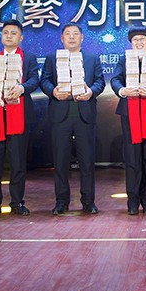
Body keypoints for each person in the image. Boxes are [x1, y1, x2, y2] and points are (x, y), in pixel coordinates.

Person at [0, 19, 40, 217]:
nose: (9, 36)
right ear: (1, 36)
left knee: (18, 162)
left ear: (21, 38)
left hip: (18, 115)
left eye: (13, 33)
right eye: (5, 32)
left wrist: (22, 88)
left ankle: (17, 202)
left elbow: (34, 80)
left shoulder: (28, 58)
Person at [41, 23, 105, 215]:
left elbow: (100, 82)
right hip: (60, 116)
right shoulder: (52, 58)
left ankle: (88, 202)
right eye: (67, 34)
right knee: (60, 162)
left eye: (75, 34)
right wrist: (53, 91)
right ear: (61, 38)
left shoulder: (92, 59)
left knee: (87, 162)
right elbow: (45, 80)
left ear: (81, 38)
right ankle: (61, 202)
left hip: (85, 116)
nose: (71, 37)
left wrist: (90, 92)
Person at [110, 28, 146, 215]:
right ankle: (133, 201)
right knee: (132, 157)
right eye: (135, 39)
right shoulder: (124, 60)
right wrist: (122, 91)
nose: (139, 42)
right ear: (131, 42)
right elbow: (115, 79)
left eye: (142, 39)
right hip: (130, 112)